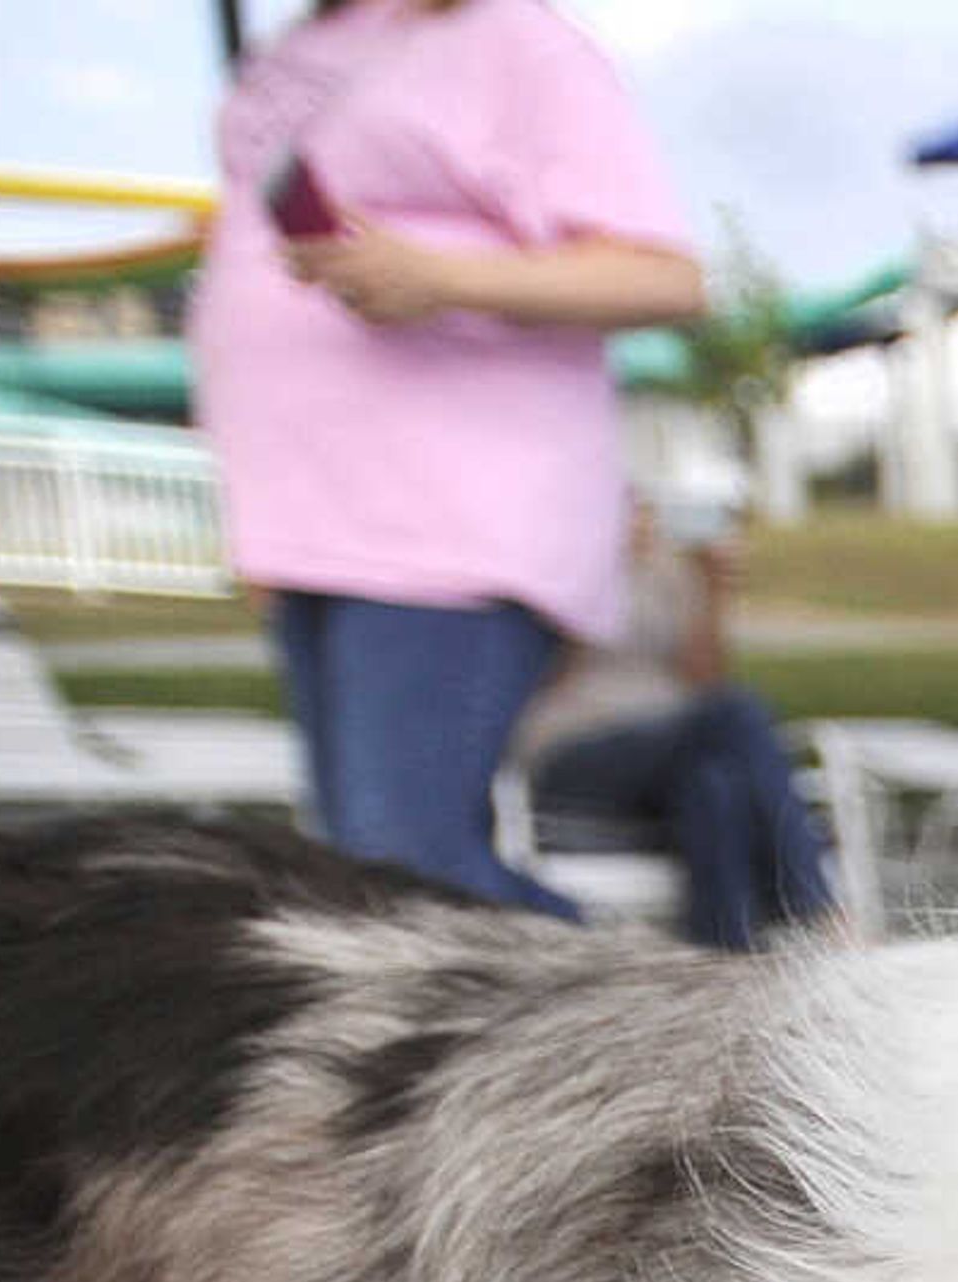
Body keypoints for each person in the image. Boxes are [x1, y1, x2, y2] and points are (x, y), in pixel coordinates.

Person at [190, 0, 706, 914]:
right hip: (316, 523)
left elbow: (663, 274)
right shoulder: (301, 45)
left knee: (406, 871)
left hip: (445, 519)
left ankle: (626, 1024)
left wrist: (442, 278)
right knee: (364, 873)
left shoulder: (515, 39)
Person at [512, 494, 841, 950]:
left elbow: (704, 679)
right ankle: (817, 907)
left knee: (714, 785)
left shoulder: (670, 574)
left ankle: (727, 958)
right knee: (737, 711)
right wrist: (594, 579)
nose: (638, 523)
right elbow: (546, 672)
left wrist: (712, 593)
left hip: (671, 745)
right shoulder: (557, 573)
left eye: (645, 511)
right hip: (575, 747)